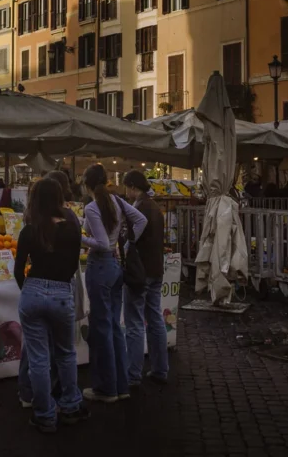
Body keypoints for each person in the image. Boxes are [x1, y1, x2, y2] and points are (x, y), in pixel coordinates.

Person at [14, 177, 89, 433]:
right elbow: (71, 267)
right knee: (66, 353)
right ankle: (70, 405)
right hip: (61, 293)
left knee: (38, 358)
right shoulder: (71, 228)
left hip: (32, 292)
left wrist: (30, 291)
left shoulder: (29, 230)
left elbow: (17, 271)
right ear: (59, 199)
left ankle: (45, 414)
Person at [81, 163, 147, 403]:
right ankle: (121, 385)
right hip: (116, 268)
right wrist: (126, 245)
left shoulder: (92, 207)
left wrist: (78, 237)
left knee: (101, 328)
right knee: (114, 326)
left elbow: (100, 242)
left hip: (100, 267)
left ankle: (106, 388)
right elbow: (140, 221)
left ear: (87, 183)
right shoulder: (117, 202)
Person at [120, 170, 169, 387]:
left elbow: (130, 239)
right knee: (156, 319)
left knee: (135, 323)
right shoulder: (156, 208)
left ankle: (133, 374)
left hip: (139, 272)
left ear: (132, 186)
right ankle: (160, 369)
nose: (125, 192)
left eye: (126, 187)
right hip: (156, 269)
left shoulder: (138, 209)